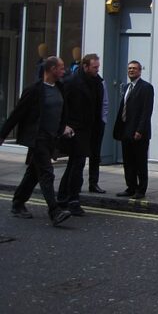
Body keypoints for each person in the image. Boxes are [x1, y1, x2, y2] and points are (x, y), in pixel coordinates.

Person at [0, 57, 72, 226]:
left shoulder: (60, 88)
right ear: (52, 69)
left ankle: (18, 203)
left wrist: (63, 128)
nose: (64, 71)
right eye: (61, 68)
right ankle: (55, 212)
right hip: (37, 137)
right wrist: (3, 134)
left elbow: (62, 112)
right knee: (47, 173)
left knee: (34, 173)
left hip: (51, 138)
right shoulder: (34, 90)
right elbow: (17, 113)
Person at [57, 53, 103, 216]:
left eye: (98, 67)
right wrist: (65, 125)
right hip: (75, 130)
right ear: (85, 66)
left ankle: (63, 198)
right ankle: (73, 200)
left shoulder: (97, 81)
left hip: (90, 129)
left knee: (74, 165)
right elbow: (62, 104)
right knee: (77, 164)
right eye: (94, 67)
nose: (97, 70)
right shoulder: (72, 82)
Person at [113, 60, 154, 199]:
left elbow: (146, 112)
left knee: (140, 162)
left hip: (139, 133)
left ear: (140, 71)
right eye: (129, 68)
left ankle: (141, 190)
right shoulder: (126, 87)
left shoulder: (146, 88)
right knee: (128, 161)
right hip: (126, 131)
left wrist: (140, 131)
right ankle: (130, 187)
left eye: (134, 68)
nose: (131, 70)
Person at [88, 76, 110, 193]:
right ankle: (75, 183)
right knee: (79, 156)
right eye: (95, 67)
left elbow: (105, 102)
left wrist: (103, 120)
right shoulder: (79, 81)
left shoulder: (101, 81)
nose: (97, 70)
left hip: (97, 125)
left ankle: (93, 183)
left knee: (95, 156)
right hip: (83, 125)